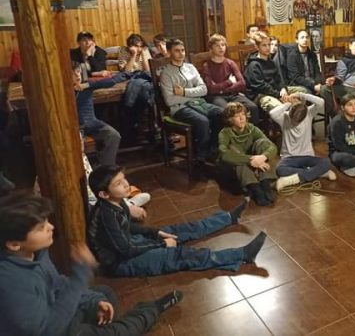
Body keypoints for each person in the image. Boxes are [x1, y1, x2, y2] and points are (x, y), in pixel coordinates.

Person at [0, 193, 183, 335]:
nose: (51, 227)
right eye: (41, 228)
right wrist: (80, 274)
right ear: (14, 244)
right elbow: (48, 329)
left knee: (104, 294)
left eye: (47, 221)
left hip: (55, 313)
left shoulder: (36, 253)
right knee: (119, 331)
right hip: (51, 329)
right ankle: (151, 310)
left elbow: (57, 284)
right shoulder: (11, 284)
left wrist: (93, 302)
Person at [87, 165, 267, 277]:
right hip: (120, 262)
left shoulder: (117, 202)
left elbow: (128, 228)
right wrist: (163, 244)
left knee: (178, 229)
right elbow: (126, 250)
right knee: (179, 256)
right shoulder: (106, 215)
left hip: (129, 244)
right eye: (118, 183)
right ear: (104, 194)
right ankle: (241, 255)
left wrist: (155, 233)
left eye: (123, 179)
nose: (126, 184)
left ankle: (228, 218)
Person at [160, 39, 222, 165]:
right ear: (169, 52)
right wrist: (193, 94)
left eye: (183, 50)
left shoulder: (190, 67)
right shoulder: (166, 73)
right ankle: (201, 156)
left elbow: (204, 90)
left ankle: (213, 149)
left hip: (199, 103)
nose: (181, 54)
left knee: (221, 113)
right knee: (203, 121)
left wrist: (183, 92)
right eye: (177, 51)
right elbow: (170, 100)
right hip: (179, 108)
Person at [270, 93, 336, 190]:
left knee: (326, 162)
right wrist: (288, 103)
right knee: (280, 169)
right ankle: (318, 173)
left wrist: (301, 95)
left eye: (299, 121)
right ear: (290, 113)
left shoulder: (309, 113)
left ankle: (292, 180)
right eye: (294, 121)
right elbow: (272, 113)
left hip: (307, 156)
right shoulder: (284, 117)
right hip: (289, 158)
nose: (296, 124)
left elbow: (321, 102)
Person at [218, 102, 278, 206]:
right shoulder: (224, 133)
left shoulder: (251, 128)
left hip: (255, 163)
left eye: (243, 114)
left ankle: (265, 184)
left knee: (263, 143)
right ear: (230, 119)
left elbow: (272, 147)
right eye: (237, 116)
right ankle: (255, 189)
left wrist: (262, 157)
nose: (242, 118)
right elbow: (224, 155)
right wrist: (250, 159)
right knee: (234, 151)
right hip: (235, 169)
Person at [202, 33, 259, 126]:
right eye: (217, 45)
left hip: (232, 94)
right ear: (211, 48)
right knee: (226, 112)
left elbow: (242, 83)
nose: (221, 48)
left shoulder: (230, 63)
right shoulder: (207, 66)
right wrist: (229, 82)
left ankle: (251, 132)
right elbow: (211, 89)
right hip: (217, 97)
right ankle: (230, 133)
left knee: (253, 107)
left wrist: (221, 88)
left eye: (223, 45)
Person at [73, 63, 122, 166]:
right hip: (76, 127)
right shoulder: (63, 91)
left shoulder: (86, 85)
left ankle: (106, 168)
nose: (77, 75)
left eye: (78, 72)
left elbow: (111, 82)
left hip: (92, 123)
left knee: (113, 135)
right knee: (77, 145)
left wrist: (88, 85)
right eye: (72, 73)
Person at [244, 32, 305, 112]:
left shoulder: (271, 62)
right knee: (280, 107)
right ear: (257, 47)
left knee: (303, 91)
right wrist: (279, 95)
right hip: (261, 94)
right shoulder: (253, 65)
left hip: (274, 90)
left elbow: (278, 78)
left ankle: (299, 115)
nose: (268, 48)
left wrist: (283, 89)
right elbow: (262, 87)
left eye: (269, 44)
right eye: (264, 45)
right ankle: (290, 115)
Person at [286, 29, 325, 95]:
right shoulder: (292, 55)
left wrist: (318, 84)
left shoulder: (312, 54)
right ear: (297, 40)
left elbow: (317, 72)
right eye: (302, 37)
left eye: (307, 37)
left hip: (313, 82)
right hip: (300, 84)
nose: (305, 40)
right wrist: (313, 86)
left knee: (325, 90)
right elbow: (295, 77)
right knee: (309, 92)